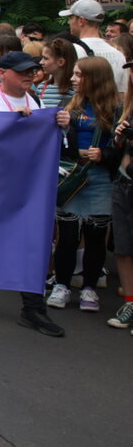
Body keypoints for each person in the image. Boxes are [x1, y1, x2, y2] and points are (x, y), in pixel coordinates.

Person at [0, 51, 64, 336]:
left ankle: (33, 308)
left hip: (28, 188)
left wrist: (59, 124)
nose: (29, 76)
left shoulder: (38, 102)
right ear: (3, 73)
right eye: (22, 71)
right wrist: (10, 124)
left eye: (32, 71)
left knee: (29, 242)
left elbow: (53, 144)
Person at [49, 56, 119, 313]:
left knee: (96, 236)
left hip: (100, 178)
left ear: (94, 78)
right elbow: (54, 143)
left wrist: (104, 155)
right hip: (72, 175)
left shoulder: (116, 109)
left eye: (79, 75)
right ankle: (62, 284)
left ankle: (89, 286)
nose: (72, 79)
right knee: (66, 235)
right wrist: (65, 130)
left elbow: (121, 151)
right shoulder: (69, 103)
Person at [108, 63, 133, 334]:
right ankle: (130, 302)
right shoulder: (125, 107)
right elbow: (115, 150)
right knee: (124, 249)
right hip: (122, 182)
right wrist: (117, 138)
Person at [62, 0, 127, 94]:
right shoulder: (118, 53)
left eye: (71, 18)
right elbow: (122, 94)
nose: (69, 22)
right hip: (109, 108)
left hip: (78, 107)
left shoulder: (70, 51)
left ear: (81, 21)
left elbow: (59, 88)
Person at [37, 37, 78, 109]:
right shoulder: (42, 87)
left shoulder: (76, 90)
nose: (41, 62)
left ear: (61, 62)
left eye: (45, 58)